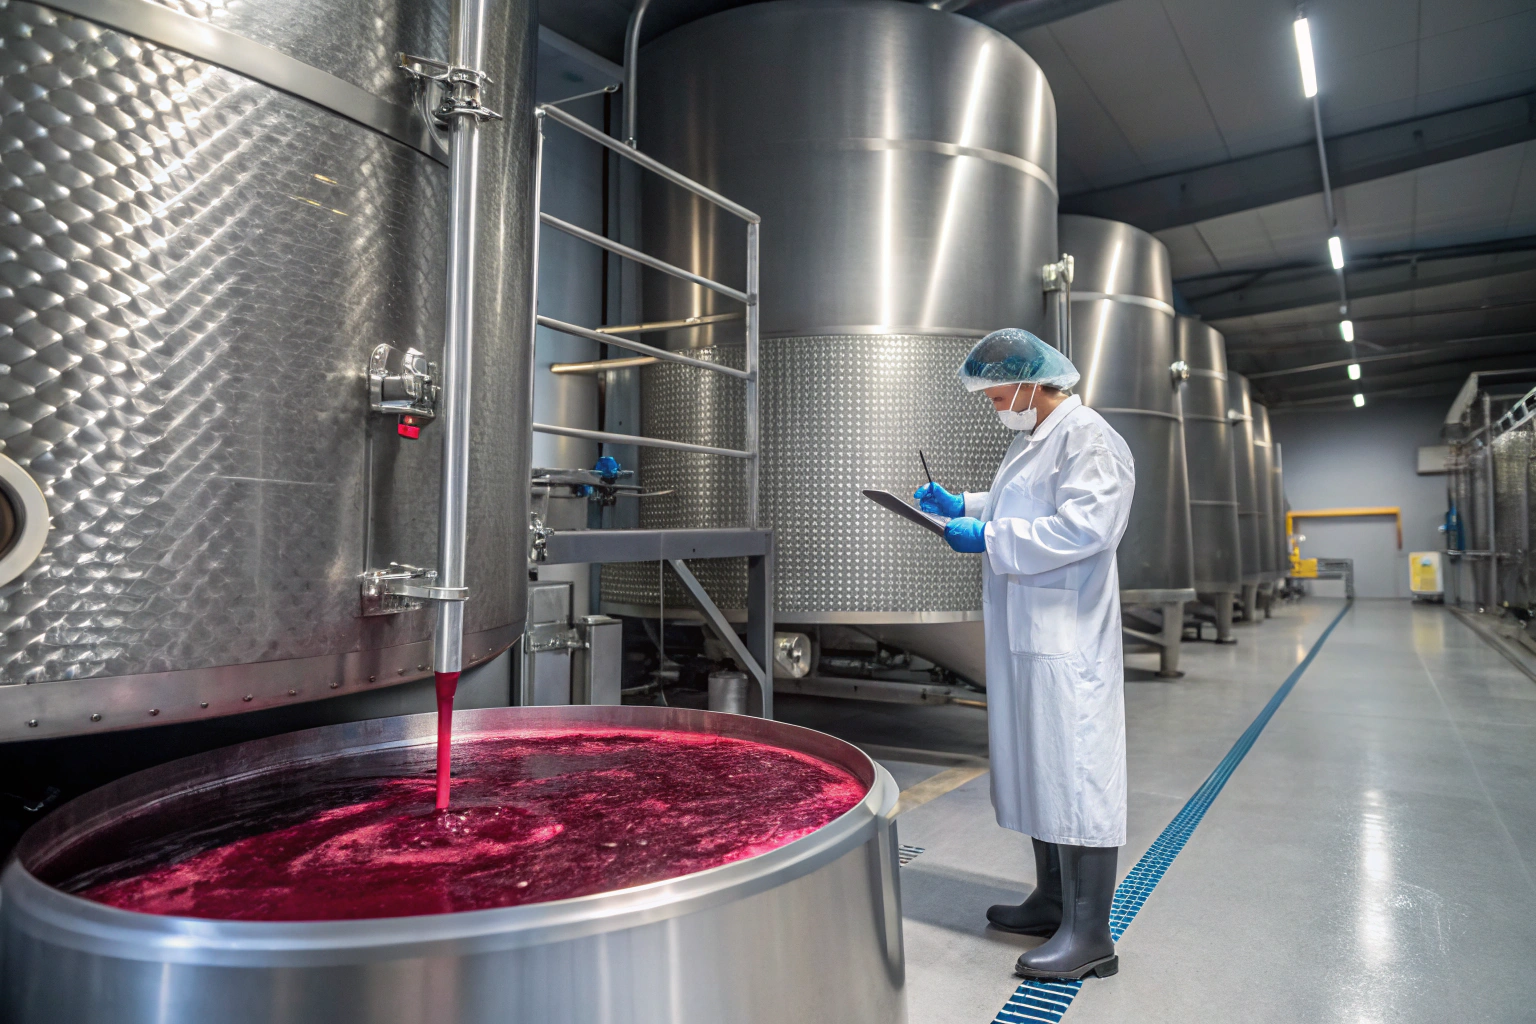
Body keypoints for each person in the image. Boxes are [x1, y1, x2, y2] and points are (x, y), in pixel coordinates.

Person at [914, 328, 1135, 981]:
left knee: (1076, 771)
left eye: (996, 391)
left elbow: (1088, 527)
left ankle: (1091, 935)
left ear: (1034, 380)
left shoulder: (1089, 436)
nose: (992, 403)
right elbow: (1024, 503)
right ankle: (1053, 901)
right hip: (1029, 634)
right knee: (1040, 764)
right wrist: (964, 506)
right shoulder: (1031, 439)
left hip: (1067, 640)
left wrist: (988, 536)